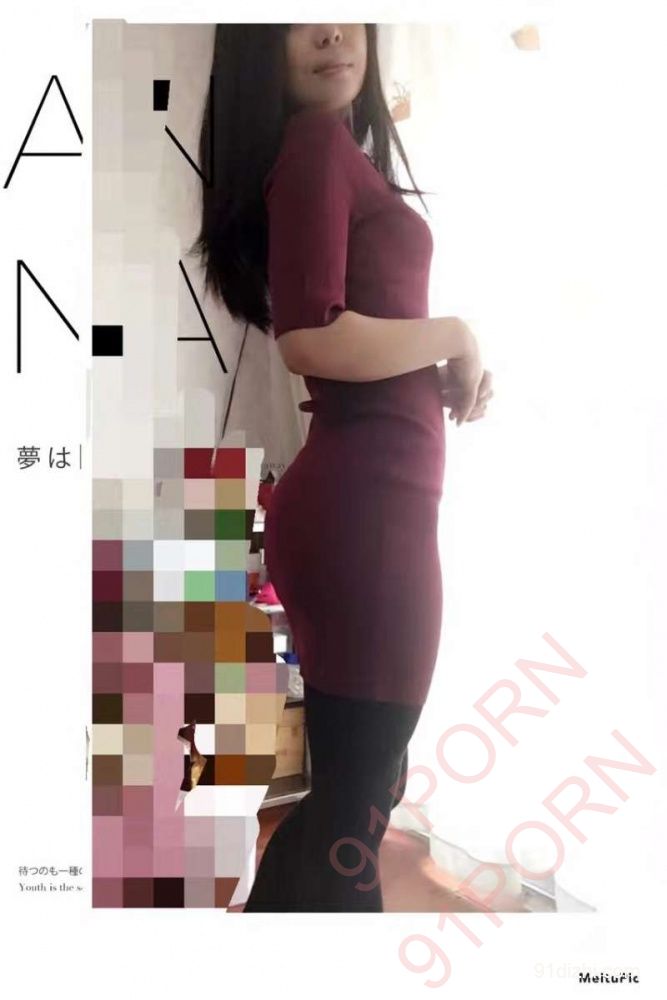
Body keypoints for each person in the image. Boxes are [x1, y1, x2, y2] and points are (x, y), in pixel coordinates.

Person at [193, 23, 493, 912]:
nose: (331, 27)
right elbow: (310, 336)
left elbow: (348, 331)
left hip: (369, 506)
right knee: (356, 811)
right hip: (365, 514)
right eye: (298, 12)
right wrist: (452, 334)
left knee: (359, 794)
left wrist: (439, 365)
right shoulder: (316, 145)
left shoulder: (338, 155)